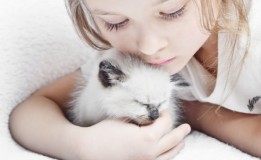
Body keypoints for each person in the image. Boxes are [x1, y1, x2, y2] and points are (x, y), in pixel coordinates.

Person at [9, 0, 261, 159]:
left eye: (172, 11)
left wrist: (198, 114)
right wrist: (81, 145)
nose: (149, 47)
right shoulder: (129, 61)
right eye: (115, 22)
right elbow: (33, 109)